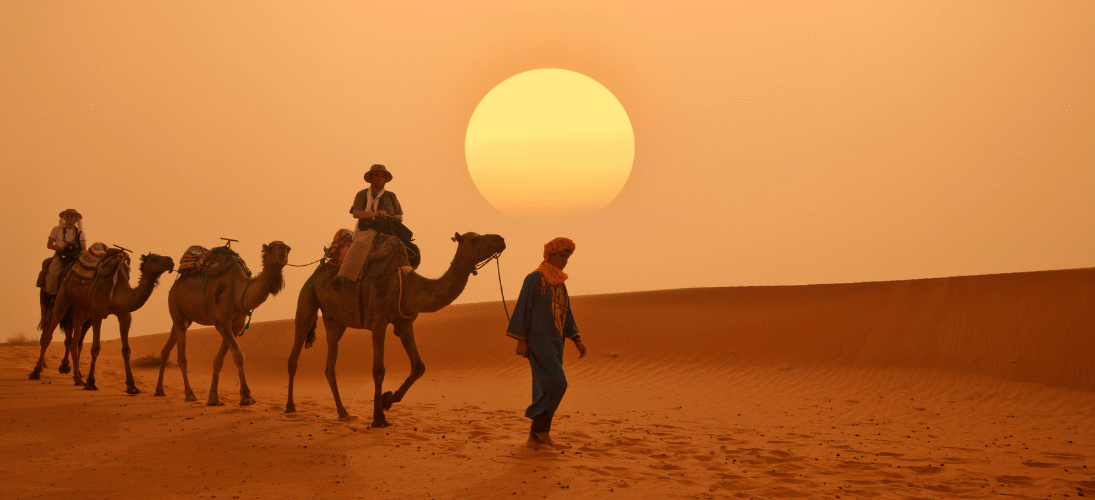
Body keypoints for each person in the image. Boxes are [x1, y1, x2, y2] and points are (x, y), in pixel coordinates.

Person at [506, 237, 587, 447]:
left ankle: (540, 434)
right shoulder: (534, 279)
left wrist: (576, 338)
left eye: (568, 257)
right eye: (562, 255)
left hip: (556, 340)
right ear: (550, 255)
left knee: (547, 385)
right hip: (538, 339)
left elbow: (565, 312)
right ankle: (537, 428)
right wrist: (521, 340)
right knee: (558, 382)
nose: (565, 260)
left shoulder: (560, 283)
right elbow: (523, 308)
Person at [332, 164, 404, 292]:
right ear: (370, 177)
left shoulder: (391, 196)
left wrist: (389, 216)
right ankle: (343, 276)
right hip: (367, 229)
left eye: (382, 176)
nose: (379, 178)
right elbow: (356, 213)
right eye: (376, 175)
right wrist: (375, 214)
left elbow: (400, 217)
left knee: (408, 249)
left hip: (389, 230)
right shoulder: (362, 194)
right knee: (362, 243)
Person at [45, 208, 88, 297]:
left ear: (76, 219)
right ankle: (52, 295)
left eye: (71, 217)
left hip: (75, 257)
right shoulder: (57, 229)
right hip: (60, 256)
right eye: (67, 216)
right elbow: (49, 245)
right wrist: (61, 248)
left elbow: (84, 247)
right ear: (64, 218)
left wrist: (82, 252)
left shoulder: (80, 233)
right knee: (53, 273)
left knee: (88, 274)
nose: (69, 218)